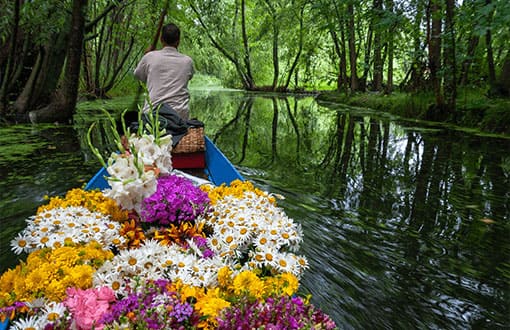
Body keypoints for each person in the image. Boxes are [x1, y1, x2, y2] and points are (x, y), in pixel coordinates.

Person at [134, 23, 194, 120]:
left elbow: (138, 75)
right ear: (178, 42)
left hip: (152, 115)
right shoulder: (188, 61)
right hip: (180, 116)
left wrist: (145, 56)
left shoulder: (149, 57)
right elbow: (189, 76)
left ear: (161, 40)